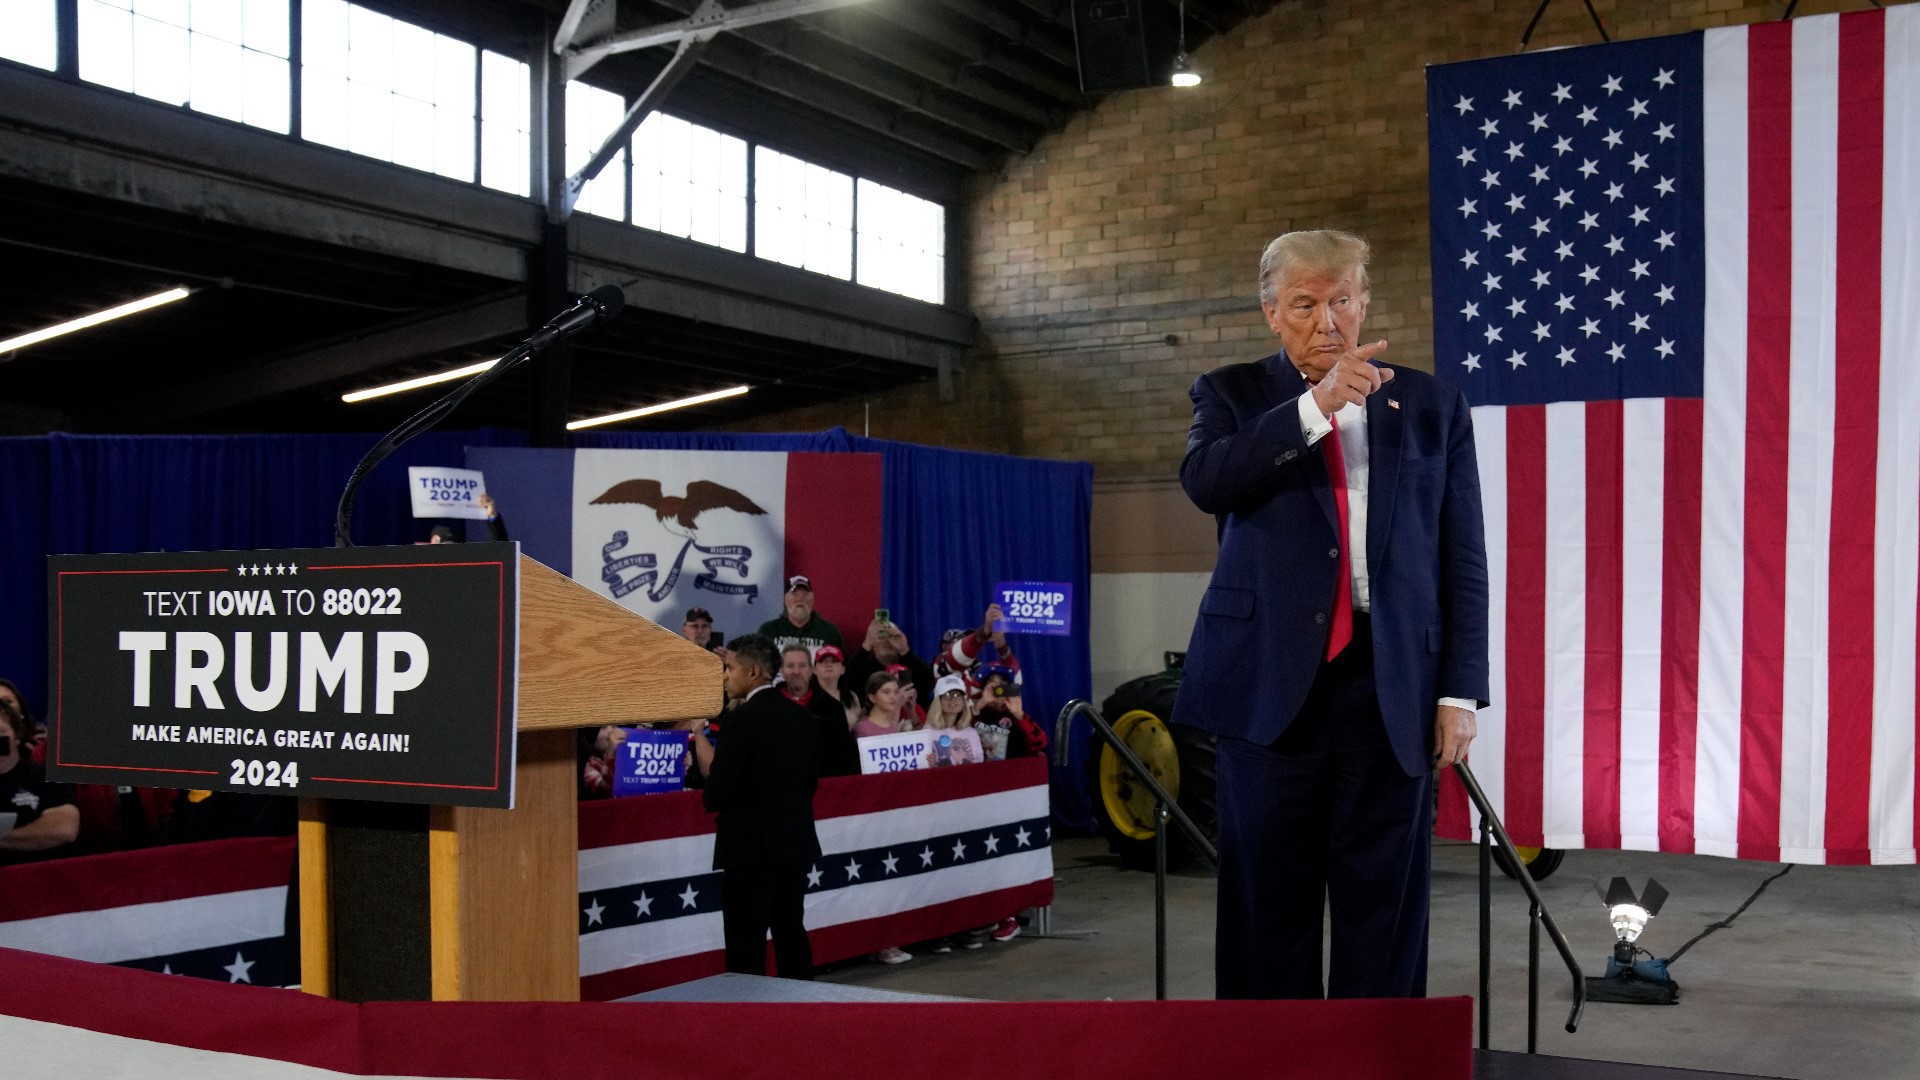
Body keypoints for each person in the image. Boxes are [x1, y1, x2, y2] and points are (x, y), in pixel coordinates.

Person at [1174, 229, 1488, 1001]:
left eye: (1342, 299)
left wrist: (1458, 693)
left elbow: (1463, 559)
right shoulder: (1231, 393)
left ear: (1365, 303)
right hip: (1270, 691)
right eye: (1306, 304)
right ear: (1272, 314)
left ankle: (1376, 1060)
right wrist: (1313, 407)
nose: (1328, 320)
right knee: (1264, 914)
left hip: (1392, 688)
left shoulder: (1432, 406)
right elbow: (1207, 482)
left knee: (1383, 913)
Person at [688, 634, 821, 980]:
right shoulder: (805, 720)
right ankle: (804, 1011)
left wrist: (698, 738)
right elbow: (809, 784)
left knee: (746, 944)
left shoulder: (741, 722)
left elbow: (717, 790)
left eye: (729, 668)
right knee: (791, 931)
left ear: (754, 672)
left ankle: (748, 1018)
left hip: (748, 851)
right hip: (794, 845)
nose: (724, 676)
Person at [0, 696, 79, 865]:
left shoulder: (43, 776)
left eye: (1, 735)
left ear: (16, 736)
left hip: (34, 879)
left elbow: (65, 828)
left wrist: (4, 839)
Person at [777, 645, 859, 778]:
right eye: (790, 666)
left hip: (821, 785)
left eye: (802, 665)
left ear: (811, 670)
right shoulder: (768, 705)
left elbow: (842, 756)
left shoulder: (832, 707)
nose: (796, 671)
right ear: (781, 670)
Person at [846, 616, 936, 712]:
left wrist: (905, 651)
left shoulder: (911, 664)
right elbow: (846, 682)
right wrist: (867, 644)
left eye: (892, 637)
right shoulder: (864, 666)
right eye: (882, 636)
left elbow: (929, 683)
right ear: (873, 645)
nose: (887, 641)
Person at [935, 604, 1022, 699]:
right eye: (961, 640)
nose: (966, 642)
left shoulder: (979, 670)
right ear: (946, 647)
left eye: (967, 639)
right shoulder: (940, 665)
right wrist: (985, 630)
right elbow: (956, 657)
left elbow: (1015, 686)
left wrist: (1001, 645)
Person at [756, 575, 842, 655]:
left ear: (813, 599)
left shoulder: (829, 632)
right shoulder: (768, 632)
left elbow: (841, 667)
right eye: (795, 594)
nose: (800, 599)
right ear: (785, 599)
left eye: (805, 594)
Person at [809, 645, 859, 731]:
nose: (828, 665)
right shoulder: (807, 696)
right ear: (814, 670)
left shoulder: (852, 697)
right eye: (822, 661)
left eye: (834, 661)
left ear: (842, 669)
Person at [852, 672, 908, 739]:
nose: (893, 697)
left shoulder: (893, 724)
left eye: (896, 692)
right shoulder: (862, 729)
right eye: (886, 692)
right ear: (872, 698)